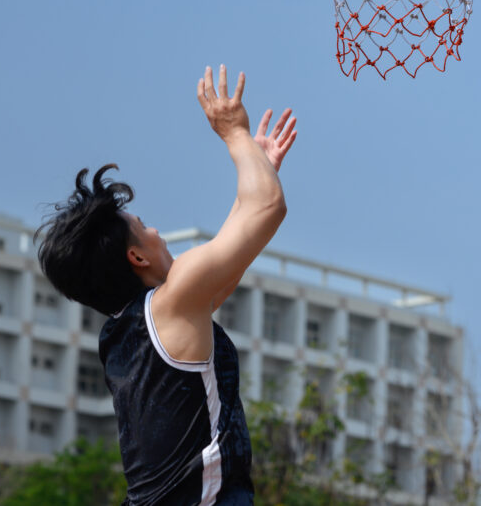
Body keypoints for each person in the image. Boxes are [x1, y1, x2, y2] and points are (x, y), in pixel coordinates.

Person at [36, 65, 296, 505]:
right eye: (144, 225)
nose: (156, 230)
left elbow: (228, 256)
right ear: (136, 257)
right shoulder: (172, 302)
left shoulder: (124, 331)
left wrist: (260, 168)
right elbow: (267, 206)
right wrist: (235, 133)